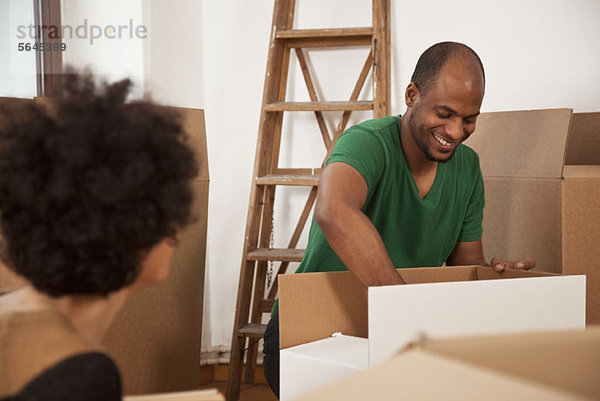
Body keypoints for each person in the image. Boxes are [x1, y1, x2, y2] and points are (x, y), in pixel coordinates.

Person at [263, 41, 535, 398]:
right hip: (308, 329)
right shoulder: (366, 143)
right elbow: (334, 211)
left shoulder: (468, 169)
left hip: (400, 334)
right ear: (411, 95)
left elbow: (465, 266)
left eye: (469, 120)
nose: (455, 132)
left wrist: (494, 280)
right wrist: (403, 310)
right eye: (444, 114)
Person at [0, 72, 198, 400]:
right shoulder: (81, 373)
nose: (177, 229)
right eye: (169, 213)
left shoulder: (7, 306)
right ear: (134, 229)